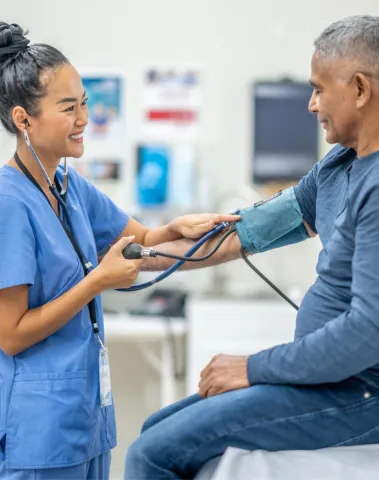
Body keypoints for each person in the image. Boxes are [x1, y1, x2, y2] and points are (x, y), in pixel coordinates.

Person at [124, 14, 379, 479]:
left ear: (361, 89)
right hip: (343, 383)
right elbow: (245, 230)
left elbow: (373, 331)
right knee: (154, 429)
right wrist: (138, 258)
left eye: (320, 89)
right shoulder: (344, 162)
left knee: (152, 453)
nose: (310, 104)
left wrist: (254, 367)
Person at [0, 22, 239, 480]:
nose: (84, 119)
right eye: (69, 108)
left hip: (86, 421)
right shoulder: (10, 203)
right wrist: (98, 282)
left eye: (85, 103)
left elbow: (143, 242)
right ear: (22, 119)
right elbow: (10, 334)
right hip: (39, 431)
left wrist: (176, 226)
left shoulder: (71, 187)